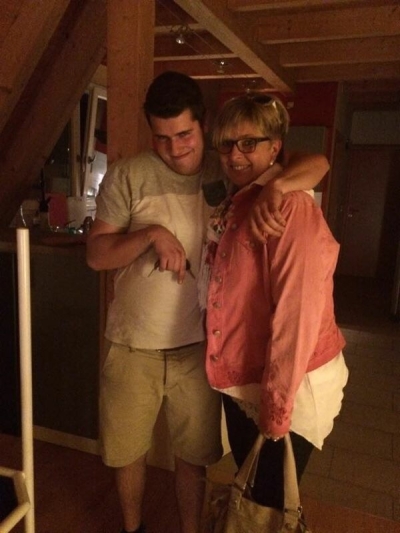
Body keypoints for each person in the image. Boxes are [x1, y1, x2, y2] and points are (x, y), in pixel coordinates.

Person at [86, 72, 329, 533]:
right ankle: (133, 529)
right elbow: (97, 255)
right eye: (162, 138)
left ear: (204, 125)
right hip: (132, 344)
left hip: (201, 350)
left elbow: (316, 163)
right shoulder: (128, 175)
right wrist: (150, 235)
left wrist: (277, 187)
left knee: (194, 457)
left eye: (184, 134)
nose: (175, 148)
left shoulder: (229, 170)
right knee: (127, 453)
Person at [203, 93, 349, 511]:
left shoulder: (289, 207)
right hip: (247, 377)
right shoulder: (239, 199)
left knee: (268, 505)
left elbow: (296, 316)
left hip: (290, 383)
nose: (235, 154)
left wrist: (277, 412)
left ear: (274, 148)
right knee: (251, 495)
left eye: (249, 143)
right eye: (227, 144)